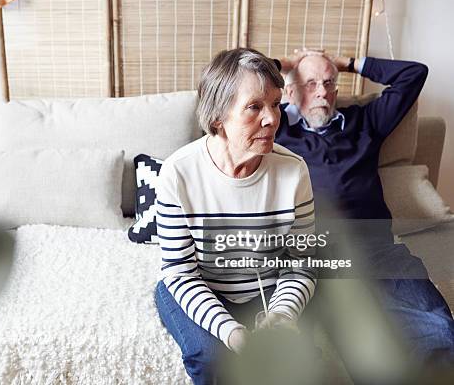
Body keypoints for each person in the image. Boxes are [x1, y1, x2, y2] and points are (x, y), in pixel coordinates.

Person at [273, 49, 454, 365]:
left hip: (377, 249)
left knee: (439, 329)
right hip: (315, 254)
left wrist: (349, 63)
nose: (322, 92)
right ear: (290, 92)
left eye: (329, 83)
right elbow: (234, 83)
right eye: (311, 83)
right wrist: (284, 66)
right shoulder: (275, 131)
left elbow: (414, 74)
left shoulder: (364, 120)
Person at [154, 48, 316, 385]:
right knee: (211, 358)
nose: (272, 118)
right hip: (195, 284)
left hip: (265, 289)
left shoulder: (294, 171)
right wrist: (232, 332)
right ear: (217, 117)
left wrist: (282, 314)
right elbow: (181, 273)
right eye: (255, 107)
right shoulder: (177, 174)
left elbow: (301, 262)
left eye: (275, 103)